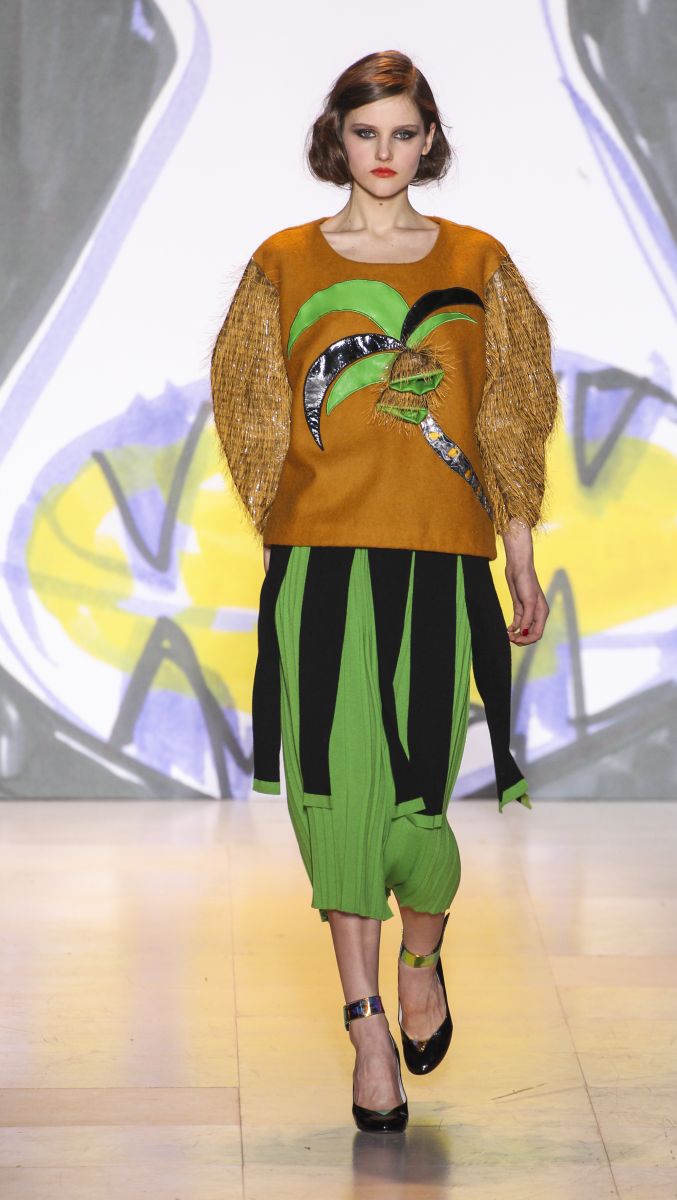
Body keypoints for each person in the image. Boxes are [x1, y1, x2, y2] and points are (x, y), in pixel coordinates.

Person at [210, 49, 559, 1133]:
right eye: (366, 133)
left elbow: (510, 413)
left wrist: (518, 551)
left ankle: (421, 956)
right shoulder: (282, 263)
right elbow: (245, 404)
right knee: (335, 796)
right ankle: (365, 1026)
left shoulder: (477, 261)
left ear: (428, 139)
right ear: (338, 138)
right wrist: (294, 513)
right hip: (321, 568)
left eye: (404, 133)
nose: (384, 152)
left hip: (438, 565)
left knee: (416, 804)